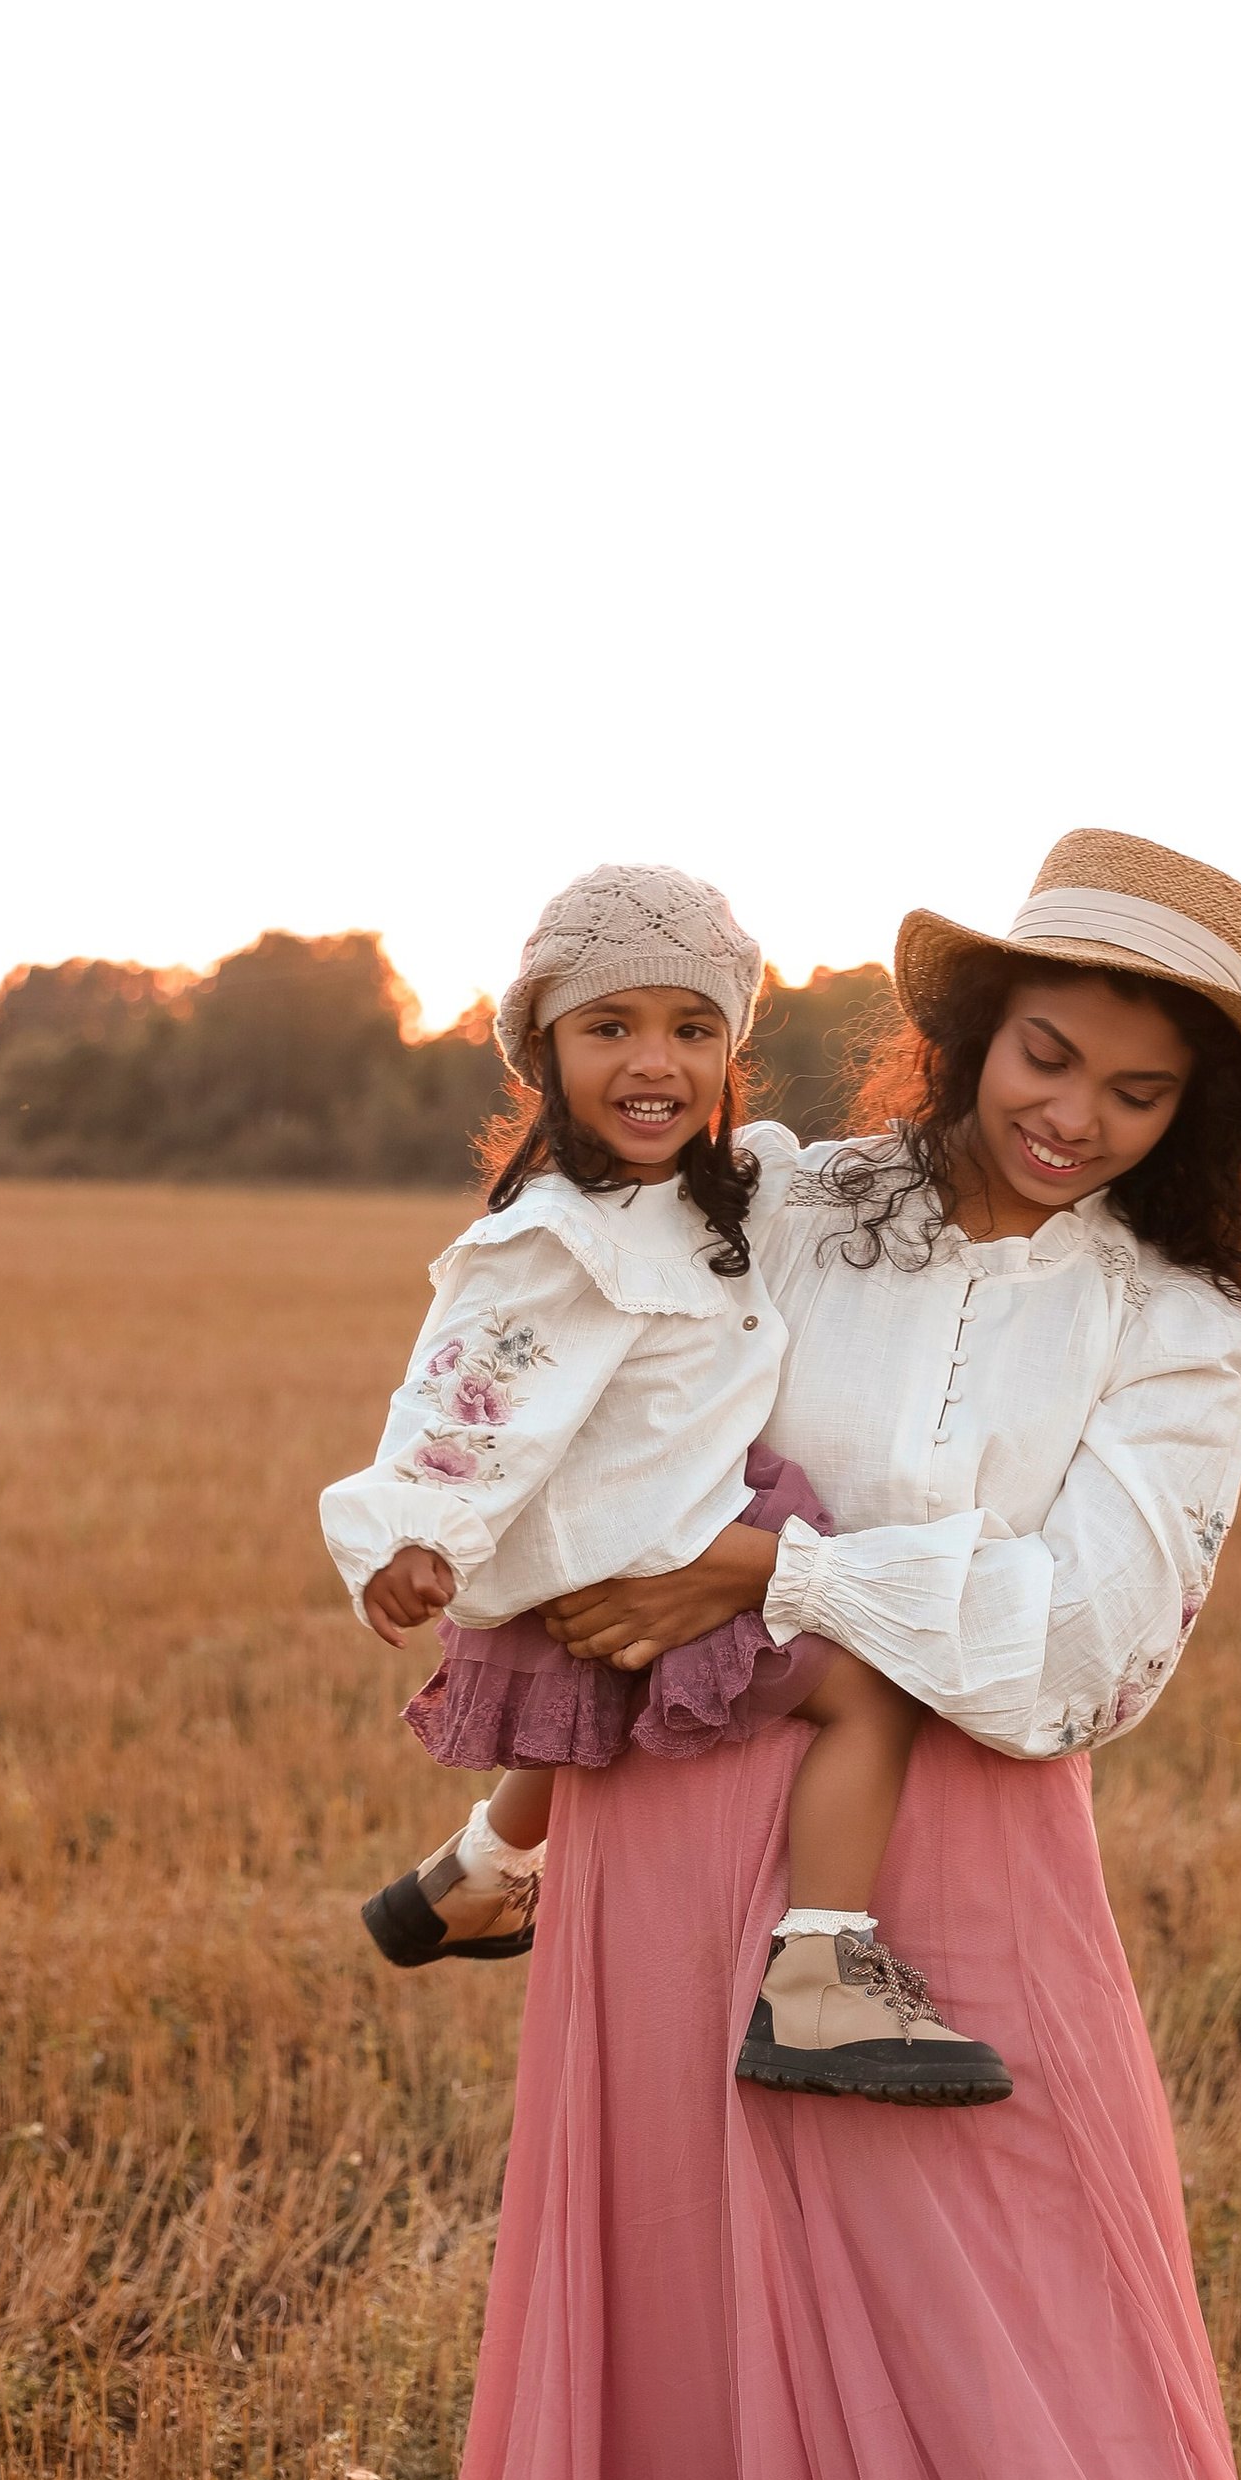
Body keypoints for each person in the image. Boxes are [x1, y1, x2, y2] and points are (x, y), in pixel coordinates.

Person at [422, 828, 1241, 2480]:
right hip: (666, 1842)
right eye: (1050, 1053)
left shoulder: (1178, 1327)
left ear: (1196, 1120)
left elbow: (1076, 1647)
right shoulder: (778, 1195)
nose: (1075, 1115)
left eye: (1140, 1094)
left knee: (1065, 2351)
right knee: (732, 2356)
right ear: (968, 1023)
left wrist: (786, 1561)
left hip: (962, 1843)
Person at [320, 861, 1012, 2105]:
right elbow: (464, 1385)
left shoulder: (696, 1190)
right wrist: (413, 1530)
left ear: (732, 1047)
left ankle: (474, 1874)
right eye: (610, 1028)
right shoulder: (554, 1236)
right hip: (655, 1543)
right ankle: (820, 1978)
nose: (656, 1061)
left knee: (589, 1702)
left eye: (693, 1029)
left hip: (652, 1521)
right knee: (874, 1691)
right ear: (544, 1050)